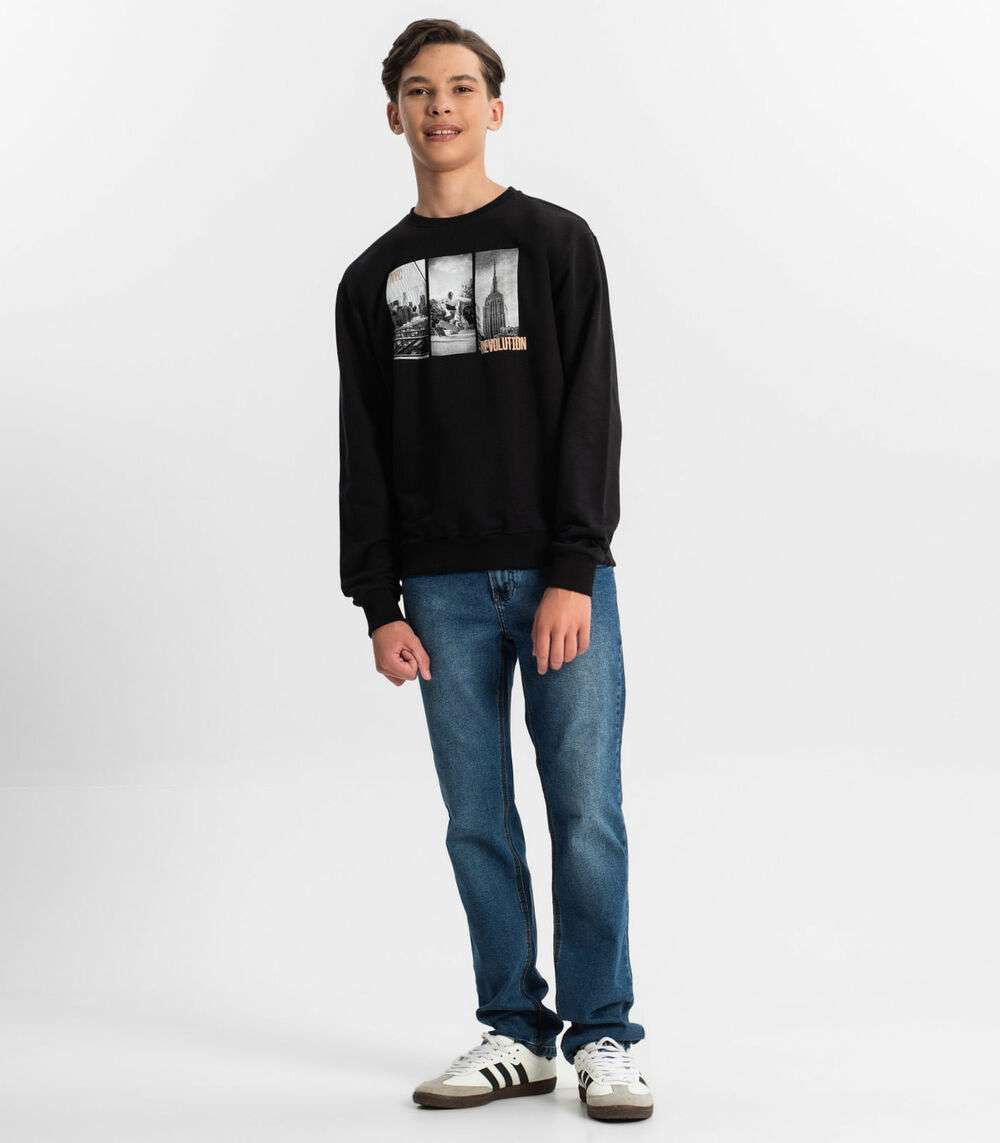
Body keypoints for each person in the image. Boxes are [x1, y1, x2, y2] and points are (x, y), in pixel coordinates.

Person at [335, 18, 652, 1123]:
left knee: (585, 813)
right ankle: (514, 1030)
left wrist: (574, 566)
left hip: (559, 579)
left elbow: (590, 413)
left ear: (495, 108)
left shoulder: (556, 243)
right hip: (439, 594)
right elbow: (364, 447)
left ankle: (604, 1032)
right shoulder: (370, 279)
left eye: (462, 88)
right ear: (393, 116)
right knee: (476, 819)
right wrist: (378, 601)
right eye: (420, 91)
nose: (442, 107)